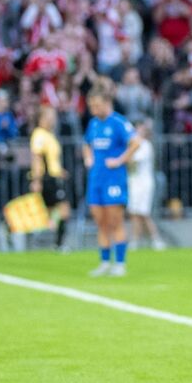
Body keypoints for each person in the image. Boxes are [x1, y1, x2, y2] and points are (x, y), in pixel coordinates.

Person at [84, 78, 141, 277]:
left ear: (107, 103)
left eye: (96, 105)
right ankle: (104, 262)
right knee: (100, 222)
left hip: (113, 179)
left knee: (115, 221)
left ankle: (120, 263)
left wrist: (120, 160)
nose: (93, 109)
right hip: (96, 178)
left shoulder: (118, 123)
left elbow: (136, 142)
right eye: (91, 105)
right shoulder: (93, 124)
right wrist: (88, 157)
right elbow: (86, 143)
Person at [30, 105, 71, 251]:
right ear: (43, 118)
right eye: (50, 116)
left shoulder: (49, 134)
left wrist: (60, 171)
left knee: (52, 211)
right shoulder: (39, 134)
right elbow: (37, 157)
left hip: (54, 176)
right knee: (62, 209)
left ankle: (52, 242)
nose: (53, 119)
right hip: (47, 178)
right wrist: (36, 180)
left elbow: (52, 159)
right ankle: (57, 243)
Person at [127, 119, 165, 251]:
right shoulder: (132, 145)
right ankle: (137, 240)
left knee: (143, 212)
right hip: (134, 181)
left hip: (144, 183)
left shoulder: (145, 145)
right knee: (134, 212)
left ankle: (155, 239)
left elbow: (131, 160)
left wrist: (123, 157)